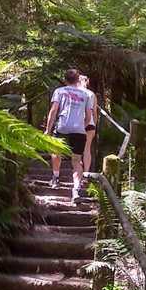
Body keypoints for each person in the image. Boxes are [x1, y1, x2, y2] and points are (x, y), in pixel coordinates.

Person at [44, 68, 94, 203]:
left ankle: (55, 177)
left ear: (65, 80)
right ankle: (76, 189)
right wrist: (81, 126)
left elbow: (53, 111)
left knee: (56, 151)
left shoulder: (59, 91)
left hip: (62, 128)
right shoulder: (86, 94)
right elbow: (89, 116)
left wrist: (48, 130)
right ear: (78, 80)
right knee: (77, 160)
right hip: (79, 130)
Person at [77, 74, 99, 173]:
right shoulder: (92, 94)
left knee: (76, 149)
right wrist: (94, 123)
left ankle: (78, 171)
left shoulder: (75, 92)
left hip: (77, 123)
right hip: (90, 124)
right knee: (87, 149)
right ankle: (86, 172)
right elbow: (94, 112)